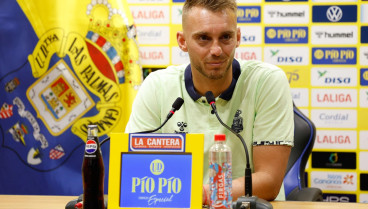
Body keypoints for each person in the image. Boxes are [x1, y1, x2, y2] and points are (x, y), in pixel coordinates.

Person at [125, 0, 294, 204]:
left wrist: (194, 195)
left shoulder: (267, 81)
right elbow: (136, 170)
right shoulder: (156, 86)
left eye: (226, 37)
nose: (216, 50)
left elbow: (268, 181)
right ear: (182, 41)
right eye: (203, 38)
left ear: (238, 37)